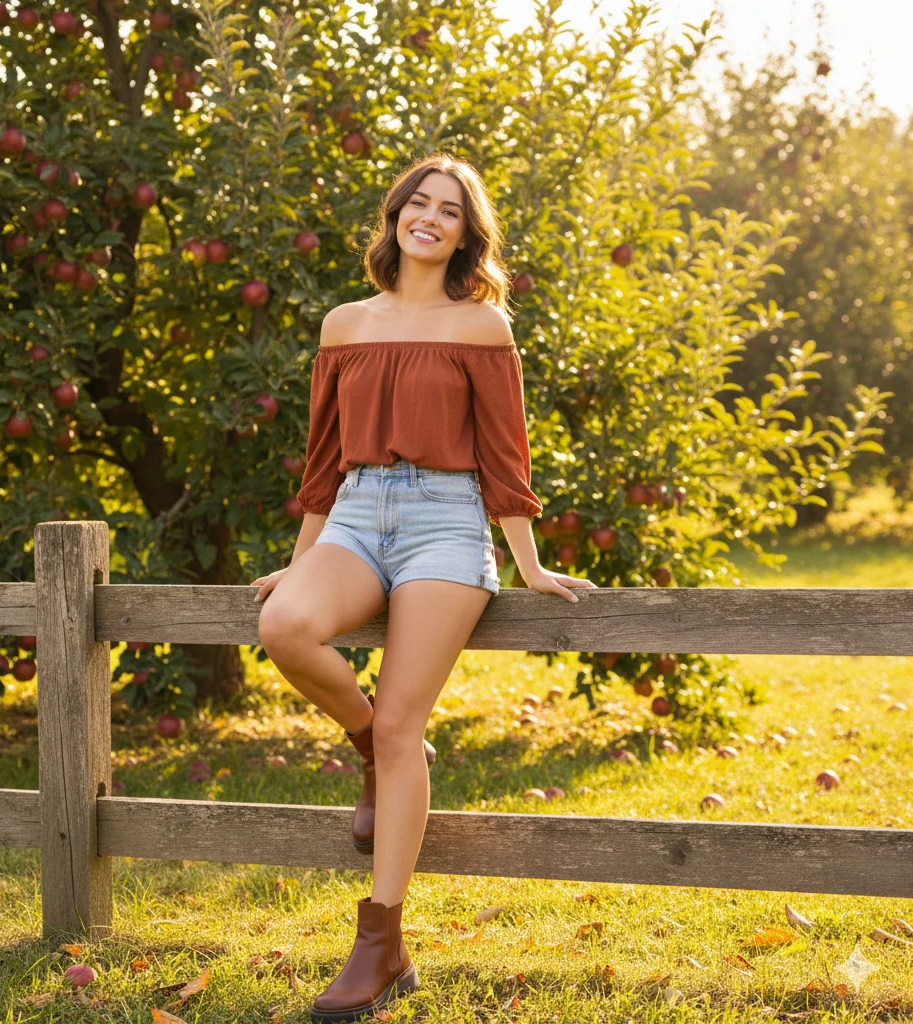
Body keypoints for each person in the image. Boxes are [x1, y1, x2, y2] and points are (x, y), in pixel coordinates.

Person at [249, 151, 598, 1023]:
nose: (430, 218)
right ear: (396, 217)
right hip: (357, 516)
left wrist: (525, 560)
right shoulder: (344, 324)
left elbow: (503, 454)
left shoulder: (484, 327)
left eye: (449, 210)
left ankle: (380, 940)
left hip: (448, 521)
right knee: (287, 624)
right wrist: (301, 556)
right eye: (418, 203)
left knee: (408, 721)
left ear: (465, 234)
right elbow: (323, 463)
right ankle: (369, 748)